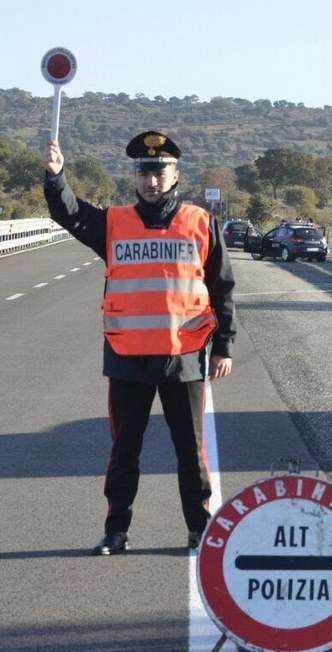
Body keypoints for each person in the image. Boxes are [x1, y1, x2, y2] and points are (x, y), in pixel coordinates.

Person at [43, 131, 236, 556]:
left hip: (183, 358)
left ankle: (199, 528)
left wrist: (223, 345)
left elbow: (221, 288)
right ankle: (116, 530)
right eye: (144, 172)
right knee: (124, 450)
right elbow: (71, 214)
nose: (151, 180)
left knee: (191, 453)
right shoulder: (113, 223)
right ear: (135, 177)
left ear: (175, 175)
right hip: (128, 358)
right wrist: (57, 178)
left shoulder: (201, 222)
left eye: (159, 172)